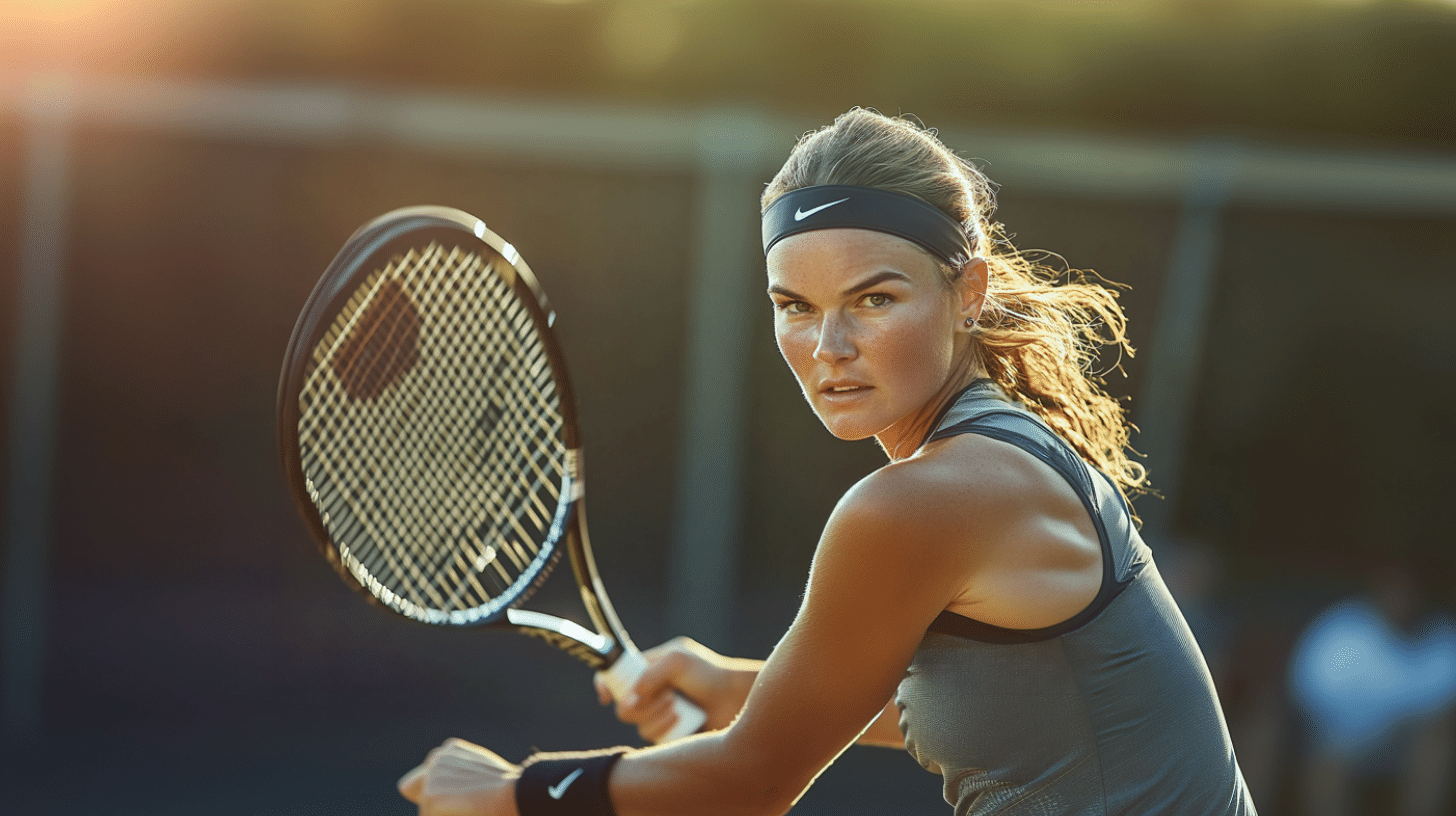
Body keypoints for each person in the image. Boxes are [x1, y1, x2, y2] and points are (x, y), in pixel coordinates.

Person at [398, 108, 1257, 816]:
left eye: (874, 299)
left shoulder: (921, 501)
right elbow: (1004, 711)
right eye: (794, 307)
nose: (829, 347)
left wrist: (514, 794)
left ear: (968, 294)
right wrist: (741, 687)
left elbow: (751, 782)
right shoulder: (1005, 450)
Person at [1287, 558, 1456, 816]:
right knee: (1326, 756)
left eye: (1408, 590)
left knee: (1437, 744)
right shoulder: (1342, 628)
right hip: (1347, 738)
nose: (1401, 597)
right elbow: (1306, 693)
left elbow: (1445, 706)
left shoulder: (1443, 636)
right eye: (1393, 588)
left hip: (1410, 741)